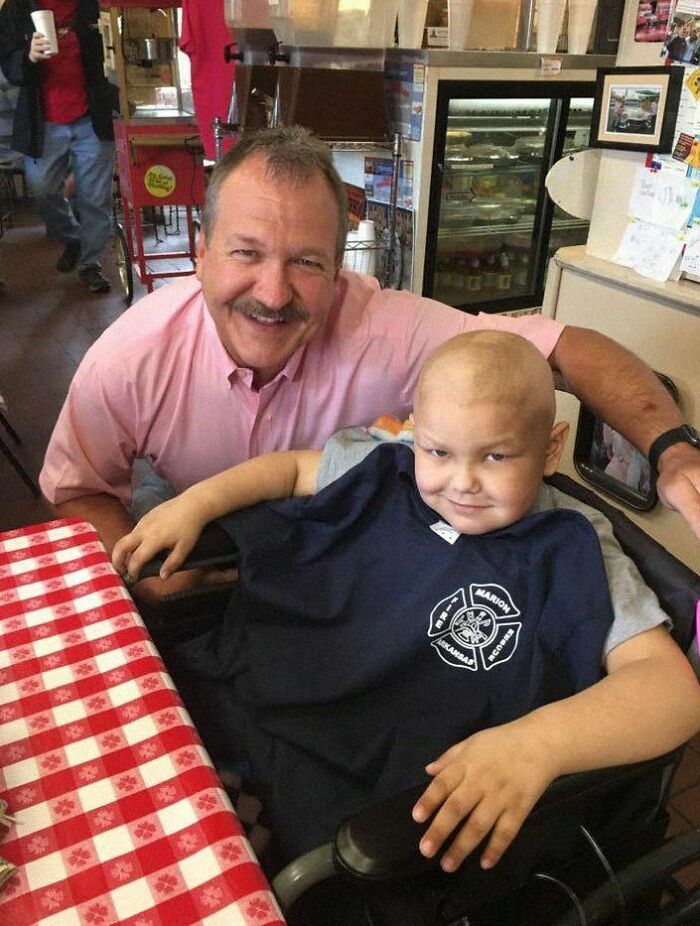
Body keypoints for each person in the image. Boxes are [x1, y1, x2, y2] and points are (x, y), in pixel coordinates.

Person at [39, 126, 700, 611]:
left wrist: (672, 450)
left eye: (305, 262)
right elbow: (76, 491)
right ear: (202, 252)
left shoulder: (387, 327)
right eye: (246, 253)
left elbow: (564, 348)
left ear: (340, 266)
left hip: (329, 558)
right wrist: (141, 573)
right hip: (193, 532)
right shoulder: (129, 358)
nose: (272, 293)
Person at [113, 331, 700, 874]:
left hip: (387, 777)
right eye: (438, 452)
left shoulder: (572, 542)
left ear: (550, 449)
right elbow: (292, 469)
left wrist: (537, 744)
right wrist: (196, 503)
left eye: (495, 457)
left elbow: (669, 687)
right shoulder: (386, 471)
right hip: (277, 683)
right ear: (416, 433)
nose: (461, 481)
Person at [0, 0, 116, 294]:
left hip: (93, 117)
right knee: (42, 188)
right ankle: (72, 236)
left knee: (95, 199)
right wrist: (28, 56)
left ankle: (90, 265)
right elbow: (9, 64)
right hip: (44, 121)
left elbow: (118, 51)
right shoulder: (17, 7)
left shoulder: (94, 4)